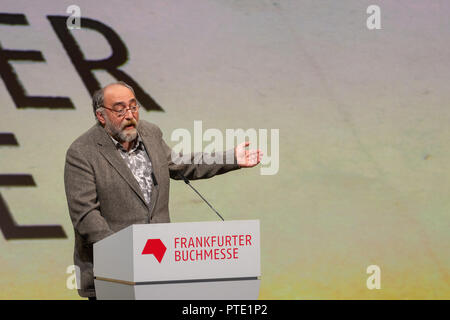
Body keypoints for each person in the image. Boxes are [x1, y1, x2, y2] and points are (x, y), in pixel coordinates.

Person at [64, 81, 262, 299]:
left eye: (133, 106)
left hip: (158, 267)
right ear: (102, 116)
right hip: (112, 276)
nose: (130, 115)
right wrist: (123, 253)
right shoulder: (82, 152)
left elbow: (182, 164)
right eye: (120, 110)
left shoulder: (150, 133)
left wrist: (230, 157)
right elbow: (85, 216)